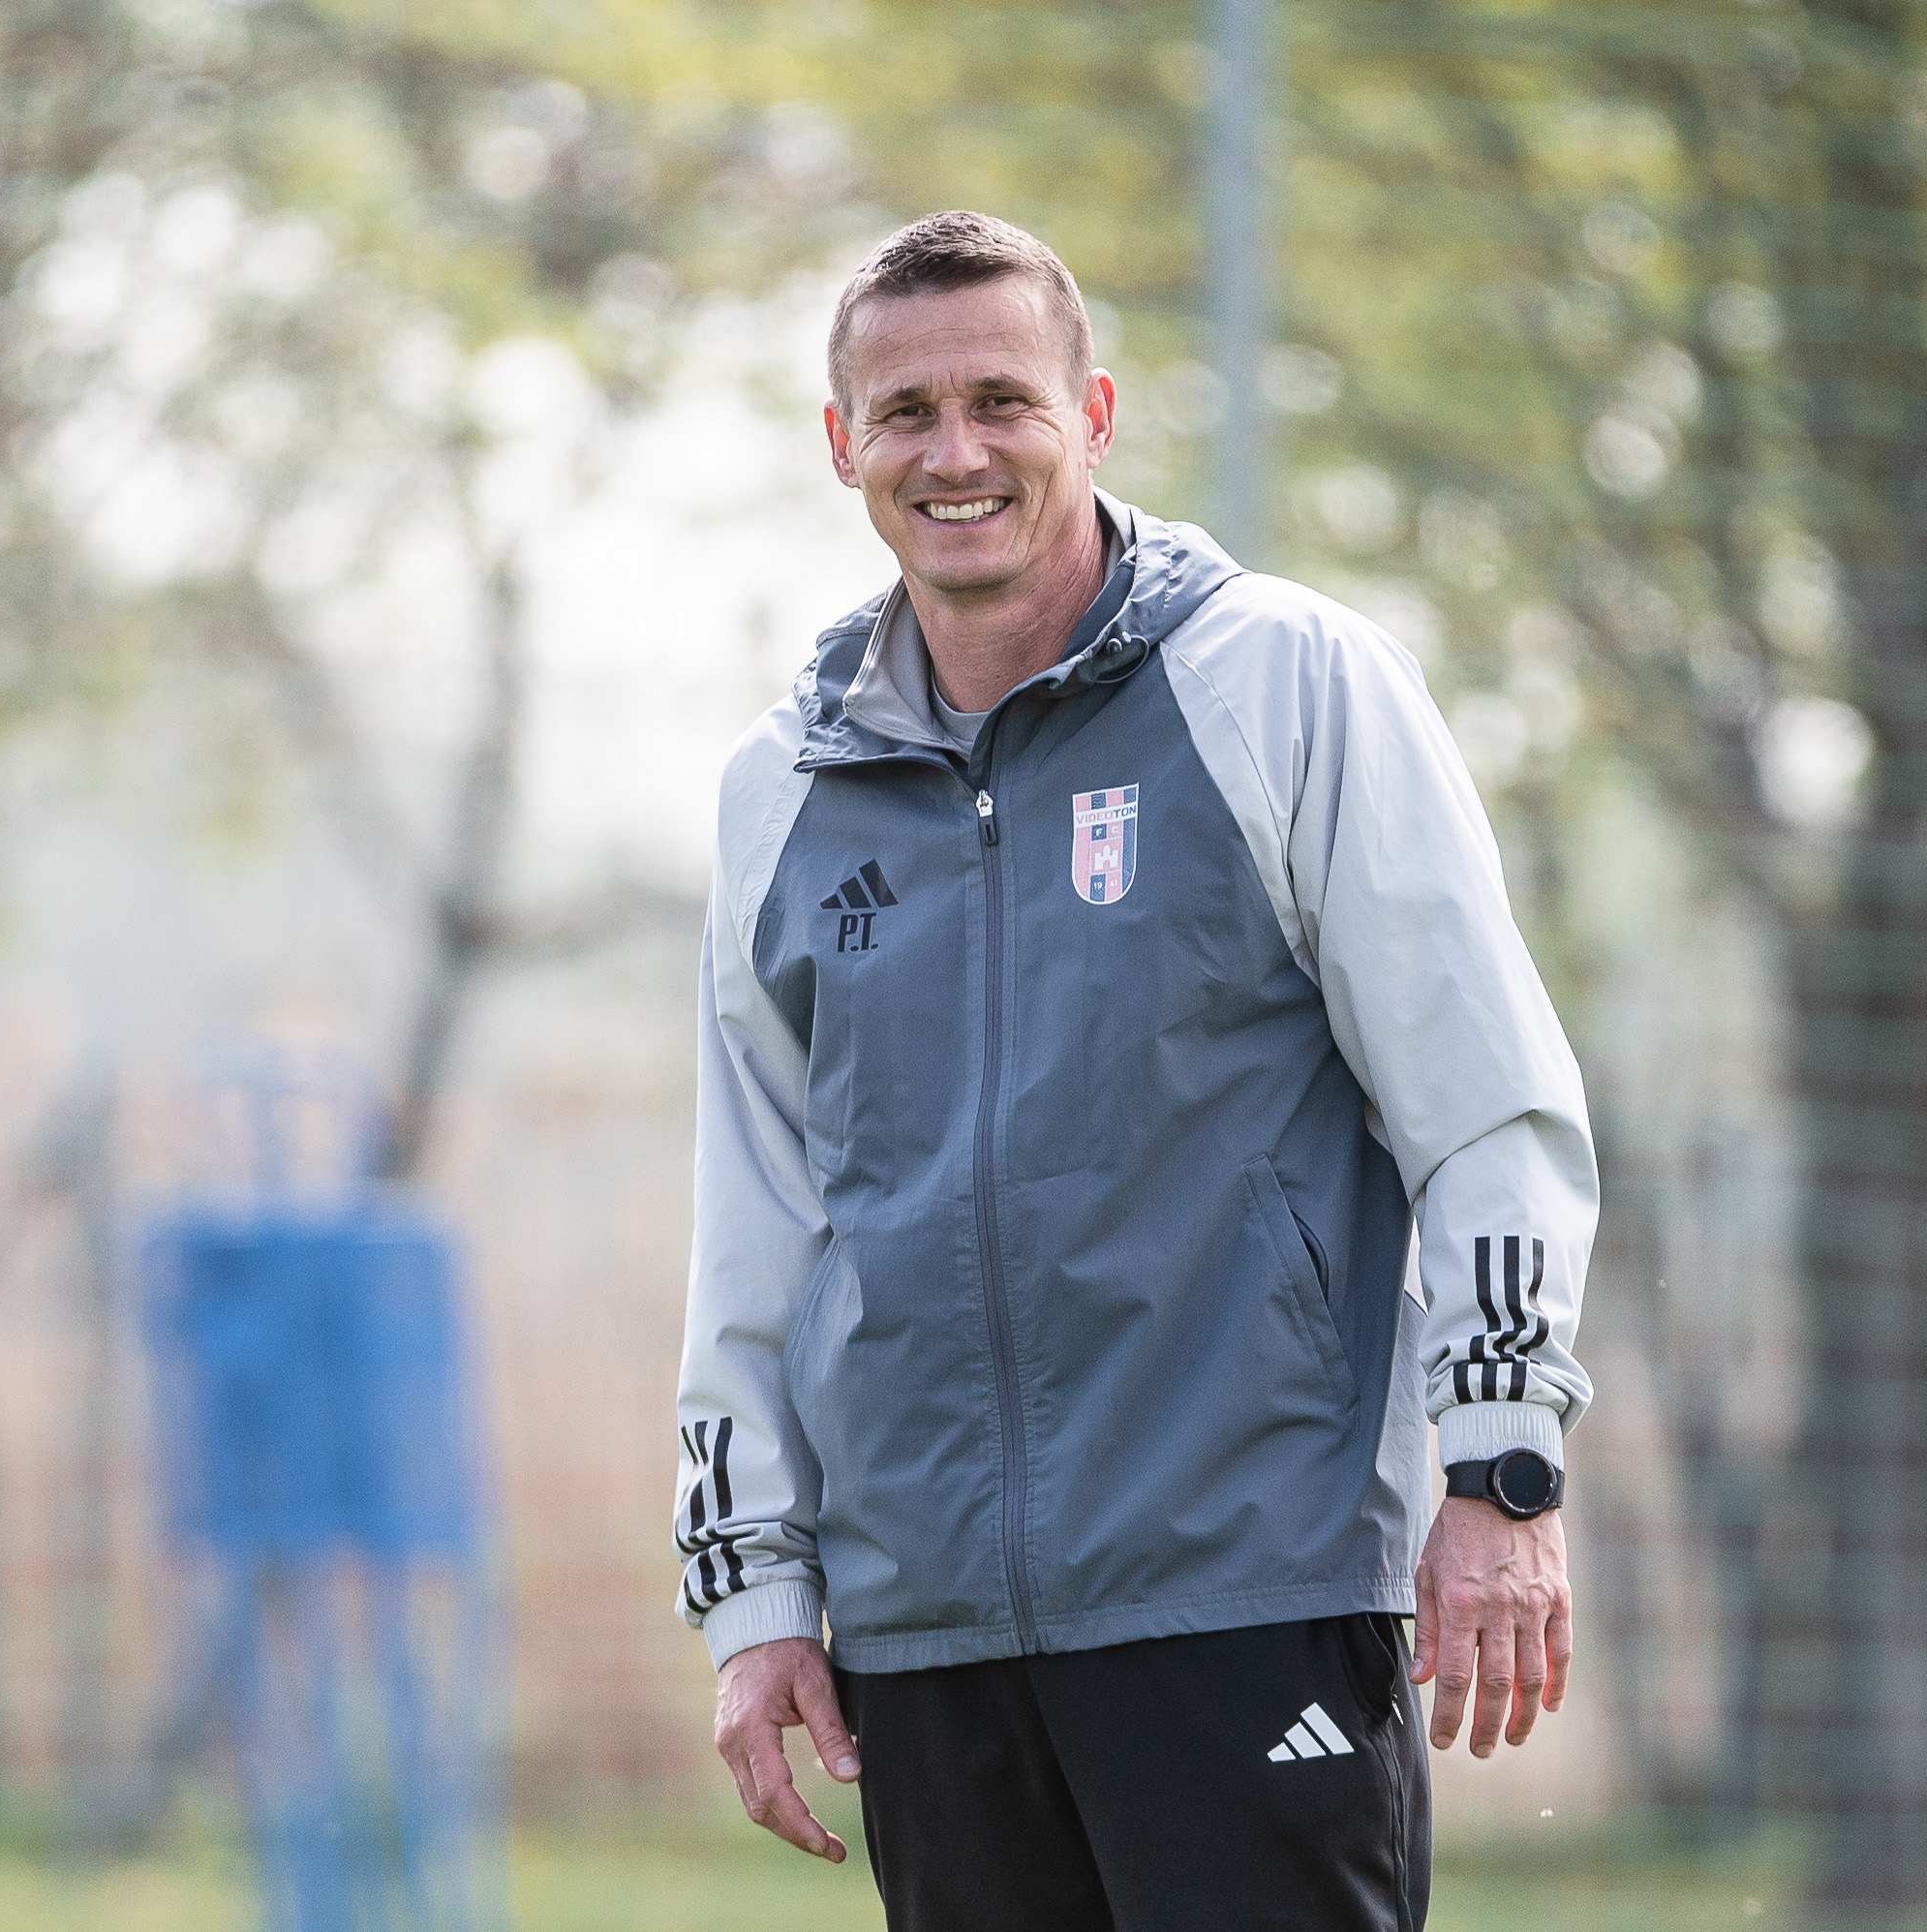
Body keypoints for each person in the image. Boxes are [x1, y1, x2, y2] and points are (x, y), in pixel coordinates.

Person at [671, 209, 1596, 1931]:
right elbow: (759, 1230)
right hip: (927, 1636)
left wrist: (1502, 1465)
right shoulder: (779, 791)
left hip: (1248, 1597)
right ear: (842, 446)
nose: (956, 454)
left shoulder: (1287, 680)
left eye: (1002, 403)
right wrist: (755, 1594)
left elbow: (1485, 1107)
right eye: (906, 413)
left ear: (1092, 416)